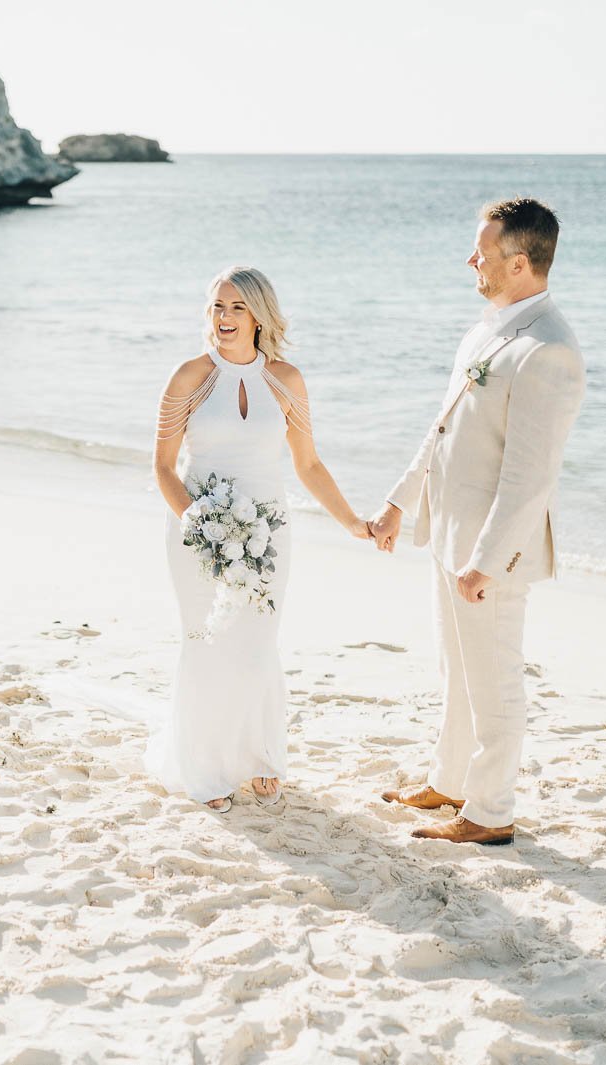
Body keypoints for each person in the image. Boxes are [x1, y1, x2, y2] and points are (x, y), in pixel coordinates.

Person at [370, 199, 586, 845]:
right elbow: (443, 431)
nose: (472, 260)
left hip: (493, 550)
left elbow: (529, 476)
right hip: (449, 529)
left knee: (494, 680)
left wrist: (489, 559)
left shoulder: (549, 351)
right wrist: (398, 500)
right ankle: (451, 779)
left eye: (483, 253)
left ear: (519, 262)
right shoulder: (486, 329)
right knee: (456, 671)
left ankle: (490, 811)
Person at [148, 266, 372, 811]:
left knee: (254, 645)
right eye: (216, 307)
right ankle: (204, 769)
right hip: (197, 534)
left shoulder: (286, 381)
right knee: (204, 643)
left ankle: (260, 757)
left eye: (236, 308)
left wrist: (353, 522)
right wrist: (199, 524)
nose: (223, 319)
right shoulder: (189, 377)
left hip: (269, 532)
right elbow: (163, 467)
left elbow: (309, 465)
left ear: (259, 315)